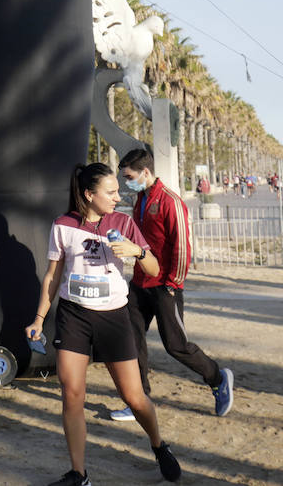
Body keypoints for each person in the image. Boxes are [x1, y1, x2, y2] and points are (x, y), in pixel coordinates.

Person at [26, 162, 181, 486]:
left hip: (114, 316)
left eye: (117, 190)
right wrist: (39, 318)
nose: (117, 196)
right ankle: (78, 474)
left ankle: (158, 445)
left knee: (133, 397)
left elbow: (153, 268)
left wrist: (137, 251)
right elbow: (53, 276)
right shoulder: (63, 225)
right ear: (88, 194)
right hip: (74, 315)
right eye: (110, 192)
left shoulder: (123, 222)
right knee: (71, 393)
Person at [117, 148, 233, 420]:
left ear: (145, 172)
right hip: (139, 282)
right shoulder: (140, 200)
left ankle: (217, 378)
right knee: (132, 341)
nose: (126, 182)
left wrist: (173, 283)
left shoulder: (170, 201)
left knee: (176, 345)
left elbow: (182, 245)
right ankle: (139, 400)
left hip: (165, 285)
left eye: (129, 176)